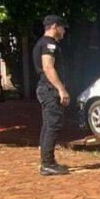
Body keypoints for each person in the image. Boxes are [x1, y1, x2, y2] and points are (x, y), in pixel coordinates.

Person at [34, 15, 70, 176]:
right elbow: (48, 68)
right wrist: (61, 89)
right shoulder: (49, 44)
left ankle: (47, 161)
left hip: (45, 89)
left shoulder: (43, 43)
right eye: (63, 27)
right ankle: (47, 164)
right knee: (53, 124)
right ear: (55, 26)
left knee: (48, 124)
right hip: (49, 89)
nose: (64, 31)